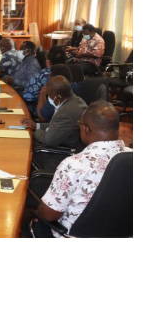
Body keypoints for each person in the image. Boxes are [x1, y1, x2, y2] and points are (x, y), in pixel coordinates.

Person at [29, 101, 131, 238]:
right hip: (119, 234)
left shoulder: (74, 165)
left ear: (86, 129)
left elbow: (49, 215)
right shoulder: (132, 157)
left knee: (32, 221)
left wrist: (38, 210)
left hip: (71, 235)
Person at [21, 76, 87, 149]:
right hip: (61, 139)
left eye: (49, 95)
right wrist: (36, 126)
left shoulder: (65, 113)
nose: (48, 98)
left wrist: (33, 133)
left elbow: (48, 140)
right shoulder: (76, 100)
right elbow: (57, 125)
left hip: (62, 149)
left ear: (58, 97)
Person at [22, 46, 67, 115]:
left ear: (48, 63)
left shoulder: (43, 75)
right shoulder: (70, 72)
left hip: (42, 112)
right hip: (64, 111)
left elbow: (28, 97)